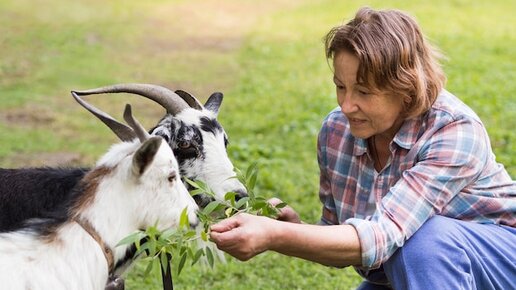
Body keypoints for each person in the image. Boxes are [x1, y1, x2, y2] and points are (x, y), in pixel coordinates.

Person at [209, 7, 516, 290]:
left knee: (425, 239)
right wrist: (295, 232)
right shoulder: (336, 132)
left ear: (405, 88)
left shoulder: (454, 132)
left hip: (500, 261)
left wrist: (276, 235)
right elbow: (347, 245)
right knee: (419, 246)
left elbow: (383, 236)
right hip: (413, 271)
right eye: (340, 86)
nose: (346, 105)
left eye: (364, 91)